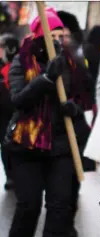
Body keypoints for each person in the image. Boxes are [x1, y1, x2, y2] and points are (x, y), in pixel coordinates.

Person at [4, 8, 93, 237]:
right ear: (37, 35)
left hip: (61, 145)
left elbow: (84, 96)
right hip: (27, 145)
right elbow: (19, 100)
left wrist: (74, 107)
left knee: (59, 208)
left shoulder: (71, 61)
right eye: (50, 36)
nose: (56, 41)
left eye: (59, 36)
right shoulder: (21, 61)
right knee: (29, 206)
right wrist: (45, 79)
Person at [0, 33, 19, 191]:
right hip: (2, 114)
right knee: (5, 145)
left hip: (16, 111)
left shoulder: (19, 64)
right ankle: (11, 176)